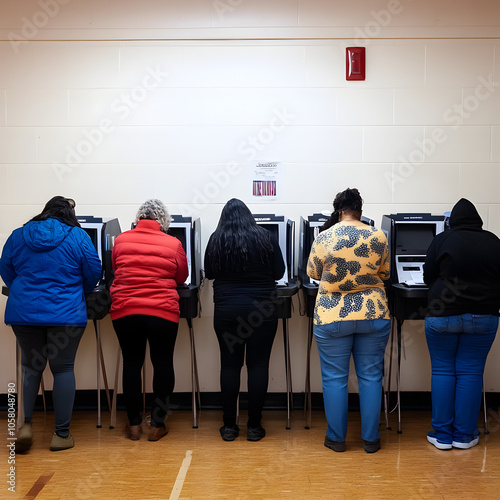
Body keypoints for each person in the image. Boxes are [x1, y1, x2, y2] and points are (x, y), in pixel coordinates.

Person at [0, 196, 102, 452]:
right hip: (65, 313)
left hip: (24, 313)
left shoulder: (19, 234)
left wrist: (22, 290)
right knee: (63, 369)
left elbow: (5, 268)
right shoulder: (78, 236)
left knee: (30, 367)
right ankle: (61, 435)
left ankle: (25, 425)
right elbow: (93, 271)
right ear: (69, 215)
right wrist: (80, 290)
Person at [307, 188, 390, 453]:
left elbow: (313, 272)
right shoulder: (378, 235)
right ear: (360, 210)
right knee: (371, 377)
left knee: (334, 379)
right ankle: (370, 439)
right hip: (373, 314)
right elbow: (385, 273)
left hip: (332, 315)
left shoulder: (324, 237)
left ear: (339, 210)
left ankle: (336, 439)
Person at [204, 198, 285, 442]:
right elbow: (279, 272)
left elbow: (209, 274)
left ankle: (229, 427)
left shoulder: (216, 238)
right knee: (258, 366)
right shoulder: (266, 237)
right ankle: (254, 426)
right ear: (249, 216)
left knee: (230, 366)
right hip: (262, 311)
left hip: (227, 310)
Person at [424, 198, 500, 450]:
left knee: (443, 370)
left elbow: (428, 276)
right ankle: (465, 436)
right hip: (483, 316)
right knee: (470, 371)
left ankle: (442, 436)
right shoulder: (493, 241)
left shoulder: (443, 240)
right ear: (478, 221)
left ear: (451, 222)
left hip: (442, 315)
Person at [110, 199, 188, 442]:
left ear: (138, 218)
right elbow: (181, 276)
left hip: (126, 310)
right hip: (162, 311)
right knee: (163, 363)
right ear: (163, 221)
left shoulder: (121, 240)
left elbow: (115, 269)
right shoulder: (173, 243)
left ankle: (133, 425)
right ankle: (156, 424)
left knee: (131, 364)